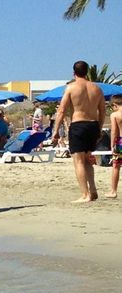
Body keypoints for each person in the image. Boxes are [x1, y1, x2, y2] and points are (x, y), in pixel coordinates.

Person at [50, 60, 107, 202]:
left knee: (78, 162)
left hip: (78, 125)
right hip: (93, 125)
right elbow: (103, 111)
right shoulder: (97, 88)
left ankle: (85, 194)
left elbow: (62, 110)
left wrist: (55, 131)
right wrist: (99, 128)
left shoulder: (71, 88)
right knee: (87, 159)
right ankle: (92, 190)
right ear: (87, 71)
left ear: (73, 72)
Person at [108, 96, 122, 199]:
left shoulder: (115, 115)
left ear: (115, 105)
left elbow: (114, 131)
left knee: (116, 166)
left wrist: (112, 144)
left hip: (120, 142)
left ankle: (113, 191)